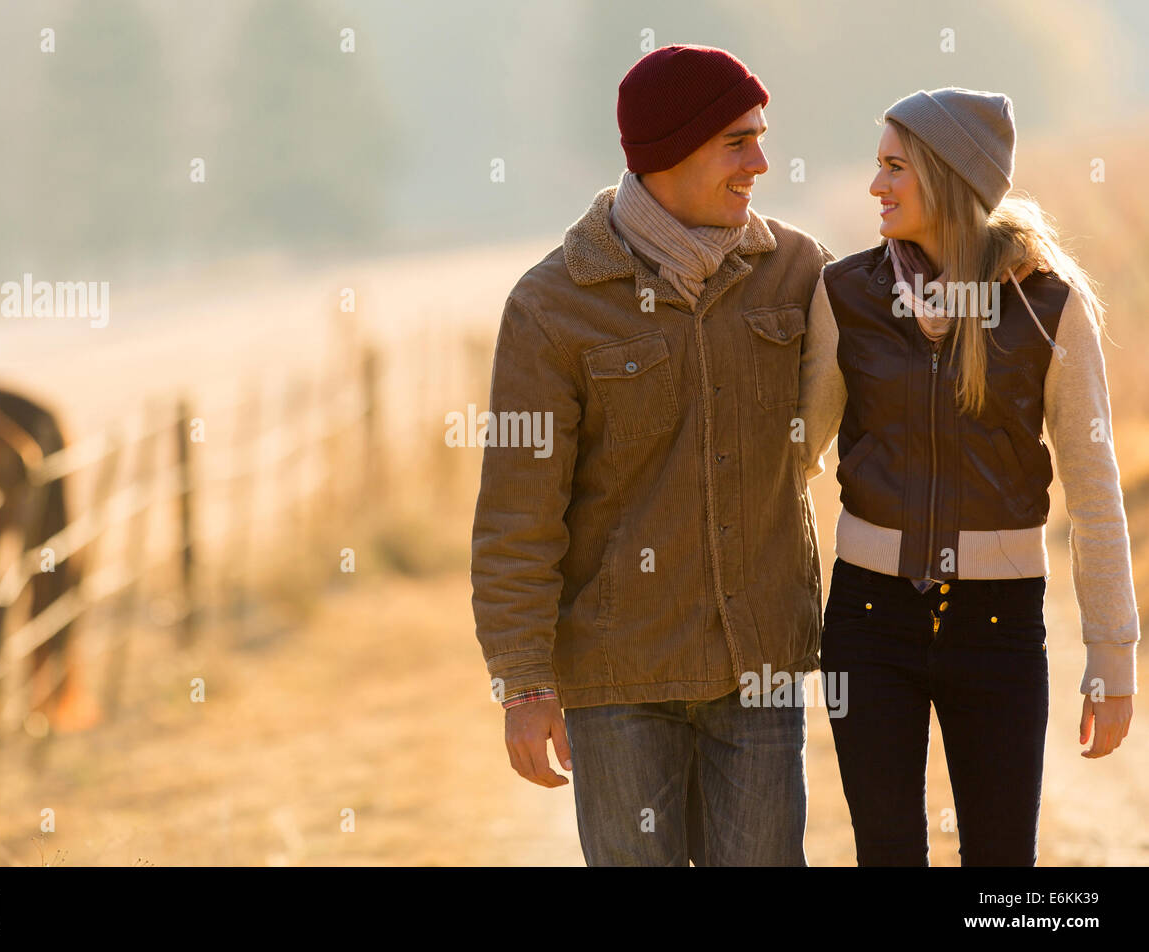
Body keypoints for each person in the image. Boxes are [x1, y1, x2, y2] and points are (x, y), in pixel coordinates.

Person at [471, 44, 831, 865]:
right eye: (738, 141)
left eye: (761, 137)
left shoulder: (798, 272)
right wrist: (525, 685)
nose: (761, 163)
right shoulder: (552, 305)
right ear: (671, 150)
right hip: (619, 682)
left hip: (760, 671)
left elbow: (907, 333)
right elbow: (516, 515)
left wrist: (1002, 269)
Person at [797, 87, 1139, 866]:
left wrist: (1113, 656)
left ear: (949, 177)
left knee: (1000, 867)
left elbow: (1093, 493)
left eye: (895, 167)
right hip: (868, 621)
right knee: (886, 852)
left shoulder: (1050, 306)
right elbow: (796, 454)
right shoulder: (845, 294)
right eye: (876, 166)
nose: (876, 186)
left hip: (1000, 628)